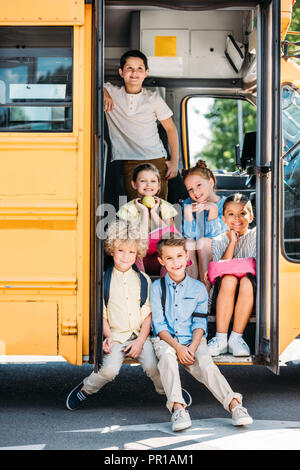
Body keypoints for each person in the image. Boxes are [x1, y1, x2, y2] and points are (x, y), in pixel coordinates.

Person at [66, 221, 191, 410]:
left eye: (132, 252)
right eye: (121, 251)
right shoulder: (103, 279)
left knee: (153, 366)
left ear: (138, 253)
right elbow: (103, 314)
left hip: (139, 336)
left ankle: (169, 391)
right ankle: (85, 389)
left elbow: (148, 314)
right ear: (111, 250)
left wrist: (141, 341)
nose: (126, 256)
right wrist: (107, 336)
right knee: (108, 371)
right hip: (115, 337)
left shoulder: (143, 280)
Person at [150, 235, 253, 432]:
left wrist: (193, 347)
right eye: (169, 258)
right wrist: (178, 348)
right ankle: (178, 409)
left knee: (205, 365)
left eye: (179, 256)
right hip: (167, 340)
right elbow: (159, 325)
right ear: (161, 261)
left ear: (187, 256)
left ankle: (235, 405)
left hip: (193, 339)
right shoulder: (157, 288)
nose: (175, 262)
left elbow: (199, 322)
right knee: (168, 359)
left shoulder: (198, 288)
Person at [104, 50, 179, 201]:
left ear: (146, 73)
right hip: (129, 160)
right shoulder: (112, 92)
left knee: (160, 209)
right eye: (129, 68)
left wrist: (174, 162)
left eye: (139, 69)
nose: (134, 73)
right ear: (121, 72)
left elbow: (170, 129)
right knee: (136, 209)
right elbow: (90, 80)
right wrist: (104, 93)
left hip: (156, 158)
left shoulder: (153, 98)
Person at [207, 194, 256, 357]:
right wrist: (232, 243)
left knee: (246, 282)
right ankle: (220, 338)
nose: (237, 218)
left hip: (249, 289)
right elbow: (221, 268)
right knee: (229, 278)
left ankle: (236, 338)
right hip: (223, 290)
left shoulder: (258, 236)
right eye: (231, 214)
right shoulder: (219, 240)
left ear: (251, 216)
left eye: (242, 213)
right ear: (223, 219)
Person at [116, 163, 179, 276]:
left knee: (171, 246)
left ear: (159, 185)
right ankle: (140, 283)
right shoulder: (127, 209)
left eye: (153, 181)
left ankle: (167, 285)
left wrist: (154, 213)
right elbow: (131, 240)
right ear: (134, 184)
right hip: (137, 258)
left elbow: (171, 235)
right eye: (143, 181)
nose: (148, 184)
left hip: (160, 259)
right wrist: (144, 212)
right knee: (133, 244)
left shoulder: (165, 206)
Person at [181, 160, 227, 290]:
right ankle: (191, 290)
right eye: (190, 189)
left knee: (204, 242)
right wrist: (188, 213)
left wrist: (213, 211)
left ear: (211, 182)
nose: (195, 192)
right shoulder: (188, 204)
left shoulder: (224, 204)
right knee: (188, 242)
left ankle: (205, 294)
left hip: (218, 248)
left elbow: (217, 236)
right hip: (197, 247)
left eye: (199, 185)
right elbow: (189, 235)